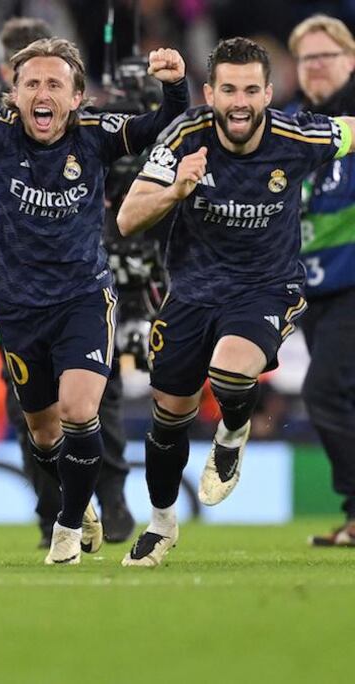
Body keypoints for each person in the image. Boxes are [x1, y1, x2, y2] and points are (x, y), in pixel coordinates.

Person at [0, 36, 188, 564]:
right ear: (13, 95)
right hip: (16, 305)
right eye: (31, 83)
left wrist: (175, 85)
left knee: (80, 412)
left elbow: (161, 126)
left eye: (54, 84)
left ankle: (67, 527)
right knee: (43, 431)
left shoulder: (96, 136)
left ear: (77, 96)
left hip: (84, 297)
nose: (42, 93)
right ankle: (76, 503)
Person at [117, 37, 355, 566]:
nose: (239, 101)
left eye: (251, 89)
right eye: (228, 89)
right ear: (210, 92)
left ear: (269, 93)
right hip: (192, 293)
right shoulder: (185, 134)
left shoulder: (298, 135)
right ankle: (161, 525)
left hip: (266, 288)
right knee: (168, 418)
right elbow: (128, 218)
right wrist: (176, 190)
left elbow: (352, 130)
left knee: (229, 373)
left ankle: (232, 430)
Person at [286, 15, 355, 547]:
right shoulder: (291, 128)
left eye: (325, 56)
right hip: (315, 288)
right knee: (338, 397)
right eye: (306, 58)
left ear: (350, 61)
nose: (315, 67)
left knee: (324, 392)